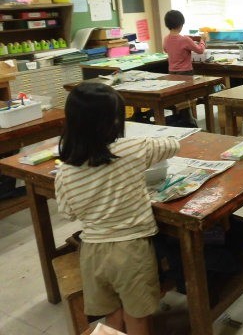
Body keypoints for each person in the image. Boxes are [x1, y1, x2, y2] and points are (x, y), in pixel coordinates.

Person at [55, 83, 180, 335]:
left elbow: (68, 213)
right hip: (131, 250)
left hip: (92, 252)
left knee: (111, 317)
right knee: (138, 317)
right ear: (114, 121)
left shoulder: (65, 171)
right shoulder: (132, 149)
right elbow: (173, 145)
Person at [162, 9, 205, 75]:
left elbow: (166, 50)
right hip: (185, 72)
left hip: (171, 72)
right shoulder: (185, 39)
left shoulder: (166, 39)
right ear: (180, 24)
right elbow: (200, 50)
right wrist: (203, 40)